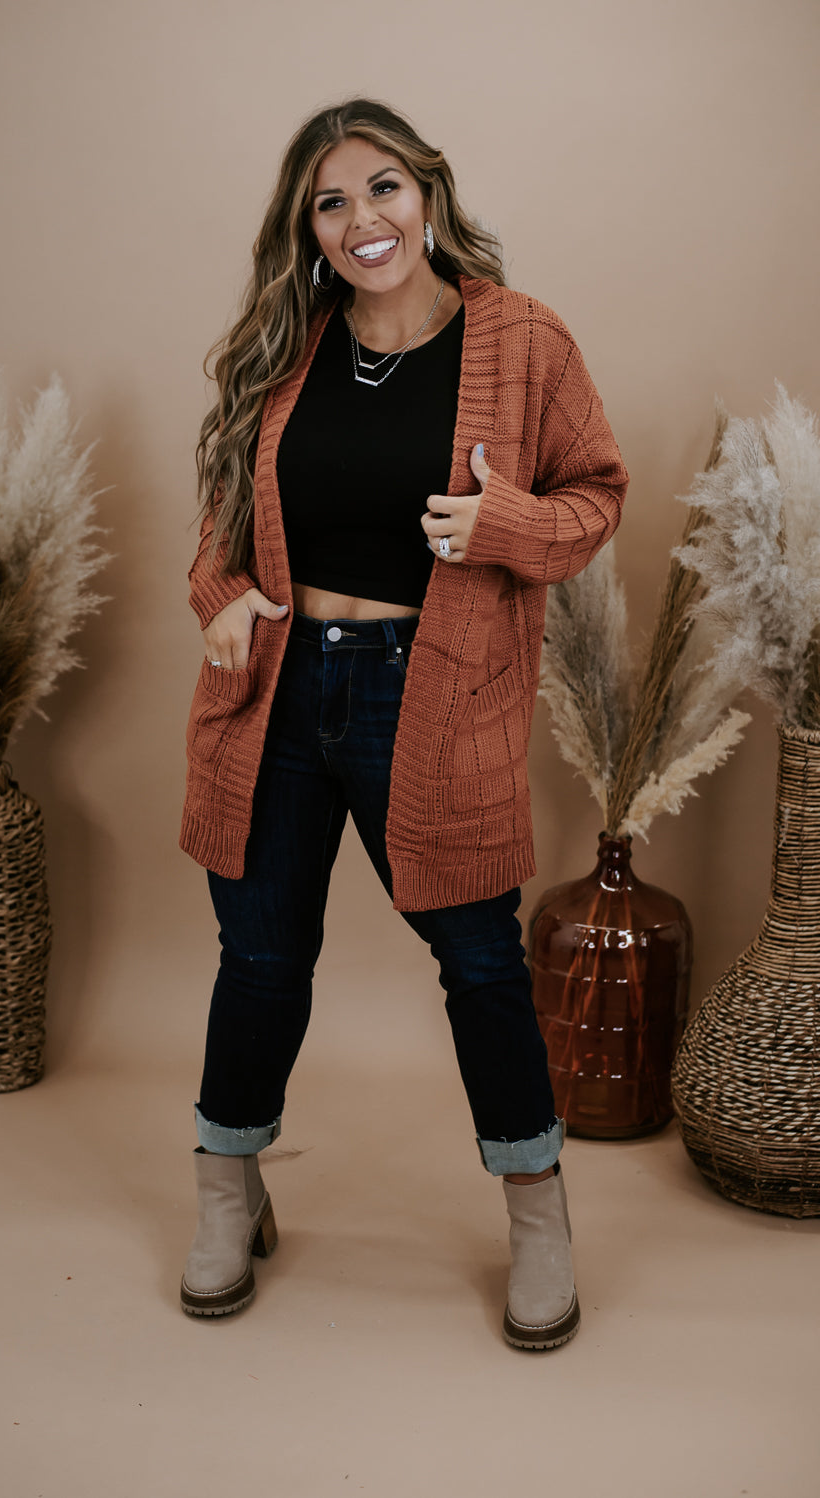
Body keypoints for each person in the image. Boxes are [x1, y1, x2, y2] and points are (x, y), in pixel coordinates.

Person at [179, 98, 628, 1350]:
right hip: (274, 691)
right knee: (259, 959)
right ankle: (226, 1191)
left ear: (426, 191)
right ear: (306, 229)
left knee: (478, 960)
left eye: (381, 187)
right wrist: (220, 599)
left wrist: (503, 525)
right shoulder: (287, 347)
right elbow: (221, 527)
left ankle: (537, 1217)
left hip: (428, 691)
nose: (360, 219)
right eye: (329, 202)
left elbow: (596, 494)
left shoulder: (521, 339)